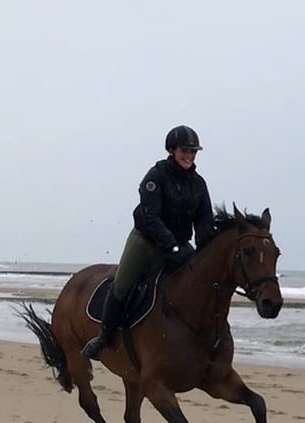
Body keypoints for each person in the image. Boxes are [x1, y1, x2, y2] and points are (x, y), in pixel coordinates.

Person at [82, 125, 214, 359]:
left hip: (178, 244)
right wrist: (172, 246)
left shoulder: (198, 184)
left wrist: (205, 249)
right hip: (146, 240)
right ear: (172, 150)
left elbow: (204, 221)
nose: (189, 156)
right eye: (185, 151)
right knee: (121, 285)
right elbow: (151, 217)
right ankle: (104, 336)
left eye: (193, 152)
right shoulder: (155, 177)